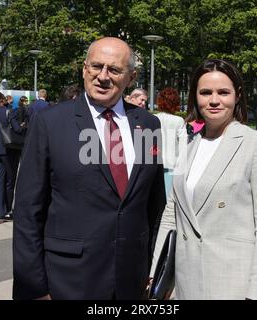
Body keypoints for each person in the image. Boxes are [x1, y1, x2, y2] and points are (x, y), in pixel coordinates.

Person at [13, 37, 166, 300]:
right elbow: (28, 211)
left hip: (133, 281)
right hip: (68, 281)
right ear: (85, 69)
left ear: (132, 77)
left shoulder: (148, 125)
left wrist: (157, 272)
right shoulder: (50, 123)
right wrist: (34, 288)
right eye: (96, 66)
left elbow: (154, 206)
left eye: (114, 70)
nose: (102, 77)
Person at [151, 59, 257, 300]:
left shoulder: (256, 144)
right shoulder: (190, 145)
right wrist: (155, 274)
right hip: (187, 282)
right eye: (205, 92)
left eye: (223, 92)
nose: (213, 100)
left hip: (235, 285)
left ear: (237, 95)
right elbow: (172, 213)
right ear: (195, 96)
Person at [0, 93, 20, 224]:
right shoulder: (10, 111)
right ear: (2, 100)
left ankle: (0, 214)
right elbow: (17, 129)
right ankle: (8, 211)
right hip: (9, 149)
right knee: (10, 180)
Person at [154, 87, 187, 197]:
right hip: (172, 166)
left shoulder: (152, 118)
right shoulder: (179, 121)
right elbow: (183, 146)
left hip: (153, 166)